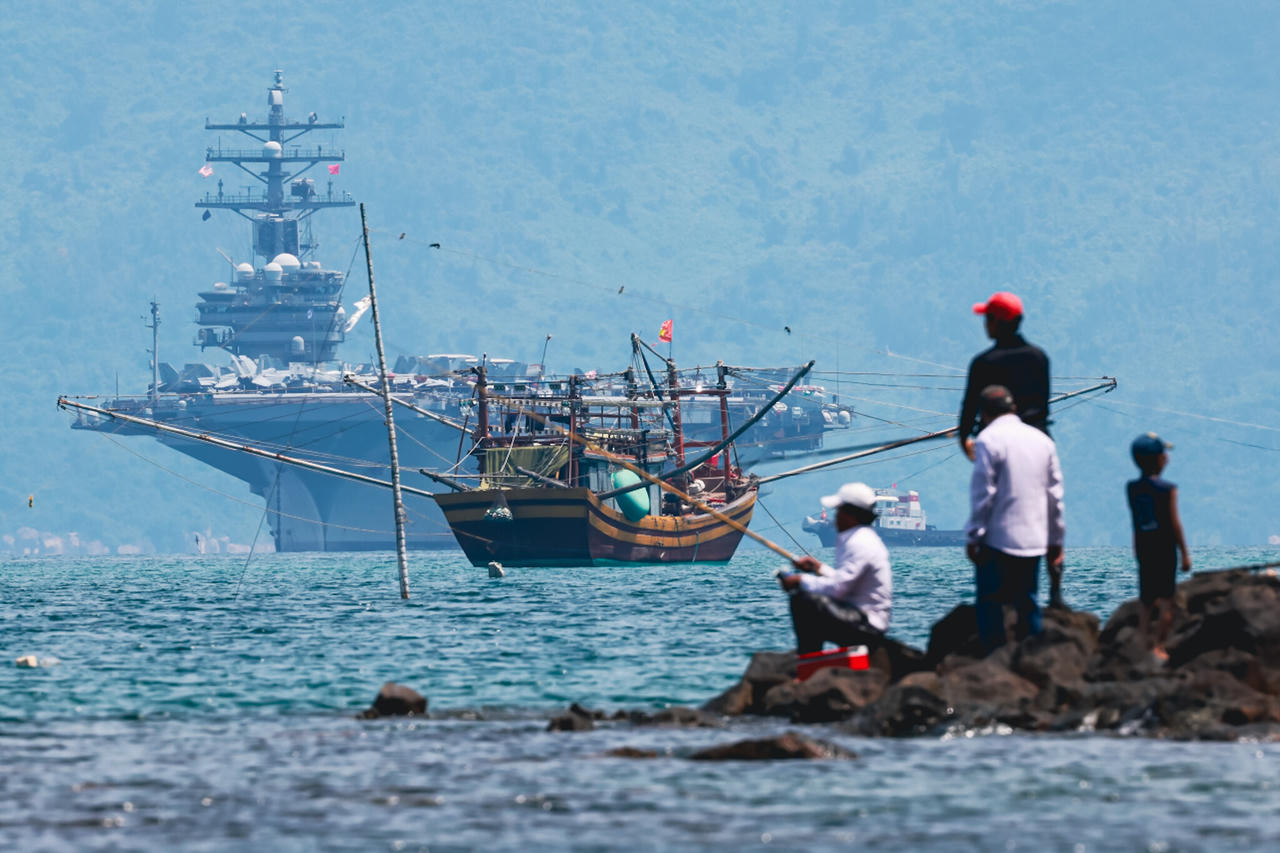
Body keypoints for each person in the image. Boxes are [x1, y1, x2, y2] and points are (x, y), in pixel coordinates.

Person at [965, 385, 1065, 652]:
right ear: (1013, 409)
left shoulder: (987, 440)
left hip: (997, 539)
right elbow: (1055, 496)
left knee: (990, 603)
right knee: (1028, 601)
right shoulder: (1043, 441)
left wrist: (974, 535)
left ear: (984, 413)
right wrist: (1056, 540)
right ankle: (1032, 657)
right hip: (1034, 539)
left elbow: (983, 494)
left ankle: (994, 659)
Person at [780, 482, 892, 654]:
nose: (836, 516)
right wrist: (818, 568)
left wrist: (800, 580)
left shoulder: (859, 543)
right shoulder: (861, 537)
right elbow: (847, 581)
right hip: (862, 617)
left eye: (839, 511)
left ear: (851, 514)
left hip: (867, 625)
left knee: (804, 601)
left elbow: (840, 589)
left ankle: (808, 661)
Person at [959, 292, 1051, 461]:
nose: (985, 324)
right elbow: (1043, 408)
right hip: (1038, 445)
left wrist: (964, 438)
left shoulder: (983, 363)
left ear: (996, 322)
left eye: (987, 318)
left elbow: (969, 409)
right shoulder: (1039, 358)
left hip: (997, 448)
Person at [1126, 432, 1191, 661]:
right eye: (1165, 455)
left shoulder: (1132, 488)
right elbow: (1175, 523)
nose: (1168, 459)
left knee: (1145, 600)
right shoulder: (1168, 489)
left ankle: (1143, 643)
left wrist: (1136, 550)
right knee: (1166, 601)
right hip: (1164, 550)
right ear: (1159, 459)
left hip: (1144, 549)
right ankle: (1160, 646)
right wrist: (1184, 553)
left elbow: (1136, 523)